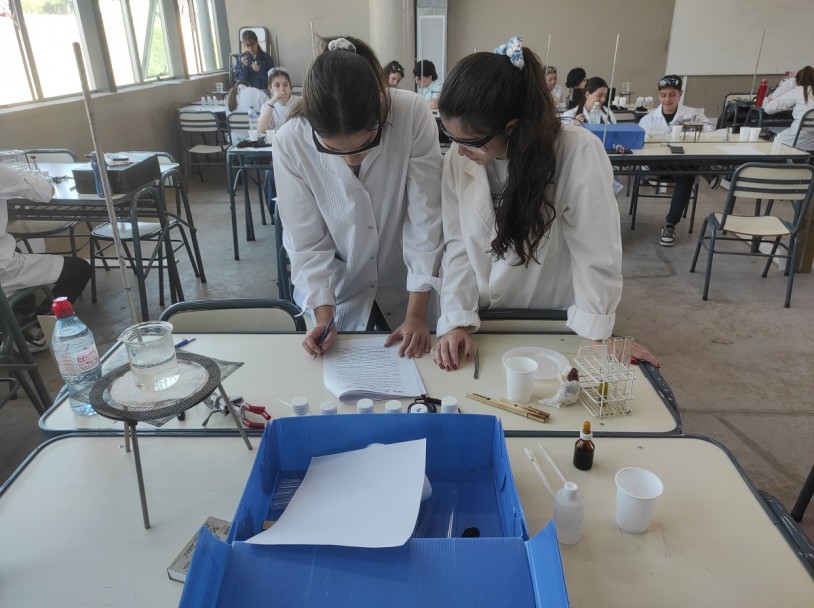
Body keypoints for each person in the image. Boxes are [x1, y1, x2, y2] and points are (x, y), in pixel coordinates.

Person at [432, 36, 656, 370]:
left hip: (552, 320)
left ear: (511, 127)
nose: (460, 151)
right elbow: (457, 244)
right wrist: (456, 320)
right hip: (483, 319)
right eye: (452, 139)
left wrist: (597, 333)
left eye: (471, 142)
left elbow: (596, 252)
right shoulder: (458, 156)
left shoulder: (577, 152)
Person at [273, 36, 443, 359]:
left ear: (381, 105)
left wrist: (417, 314)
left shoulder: (411, 114)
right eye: (334, 151)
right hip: (340, 291)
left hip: (408, 286)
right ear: (312, 125)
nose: (353, 159)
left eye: (366, 143)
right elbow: (306, 242)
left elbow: (426, 219)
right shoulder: (290, 141)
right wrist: (324, 316)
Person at [0, 165, 92, 352]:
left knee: (20, 249)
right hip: (4, 268)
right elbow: (45, 192)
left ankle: (20, 313)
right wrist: (22, 176)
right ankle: (37, 324)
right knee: (80, 269)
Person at [637, 74, 713, 247]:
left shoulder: (693, 114)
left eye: (672, 94)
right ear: (658, 95)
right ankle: (707, 172)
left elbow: (710, 133)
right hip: (656, 164)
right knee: (688, 171)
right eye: (663, 95)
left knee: (686, 176)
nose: (667, 99)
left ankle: (670, 224)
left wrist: (693, 128)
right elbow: (640, 146)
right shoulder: (647, 119)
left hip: (682, 164)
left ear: (680, 94)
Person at [763, 66, 814, 151]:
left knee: (772, 140)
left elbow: (769, 109)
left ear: (798, 80)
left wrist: (768, 100)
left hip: (797, 139)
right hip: (812, 142)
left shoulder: (799, 91)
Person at [258, 67, 298, 132]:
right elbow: (261, 130)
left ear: (290, 87)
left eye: (285, 85)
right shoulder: (266, 106)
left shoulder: (299, 102)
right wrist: (271, 103)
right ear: (270, 89)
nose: (282, 88)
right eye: (277, 85)